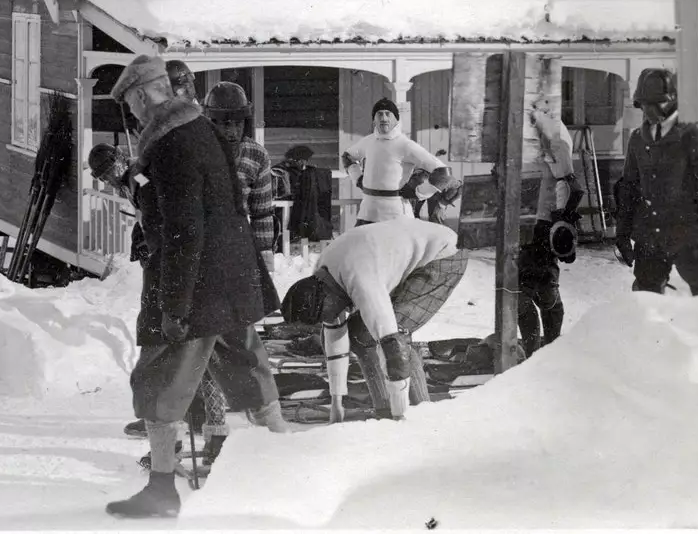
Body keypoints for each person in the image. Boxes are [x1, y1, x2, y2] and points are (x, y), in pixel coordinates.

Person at [102, 54, 276, 519]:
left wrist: (174, 307)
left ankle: (161, 490)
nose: (133, 116)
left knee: (158, 378)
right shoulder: (202, 129)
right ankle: (288, 471)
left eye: (131, 106)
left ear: (141, 96)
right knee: (249, 369)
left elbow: (185, 228)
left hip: (194, 285)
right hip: (229, 279)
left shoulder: (170, 143)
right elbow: (220, 205)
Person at [279, 217, 466, 422]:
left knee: (394, 336)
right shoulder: (322, 279)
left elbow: (393, 346)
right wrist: (336, 405)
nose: (329, 319)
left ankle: (414, 415)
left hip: (443, 254)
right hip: (403, 251)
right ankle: (385, 410)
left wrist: (399, 417)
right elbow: (334, 337)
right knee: (360, 334)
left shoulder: (362, 280)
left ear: (328, 299)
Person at [614, 68, 698, 296]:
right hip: (649, 237)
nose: (649, 110)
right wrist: (622, 234)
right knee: (645, 301)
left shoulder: (692, 135)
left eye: (656, 103)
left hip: (688, 237)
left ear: (672, 101)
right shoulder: (637, 139)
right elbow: (628, 188)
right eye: (644, 104)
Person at [517, 104, 584, 356]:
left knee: (544, 292)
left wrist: (561, 221)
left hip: (543, 221)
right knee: (520, 294)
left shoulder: (551, 128)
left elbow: (568, 180)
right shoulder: (521, 126)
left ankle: (551, 349)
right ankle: (536, 351)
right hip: (523, 219)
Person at [341, 98, 459, 225]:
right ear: (374, 119)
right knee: (360, 244)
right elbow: (348, 156)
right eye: (379, 114)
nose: (384, 118)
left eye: (388, 114)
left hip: (396, 214)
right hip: (367, 212)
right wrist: (358, 180)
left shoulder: (405, 145)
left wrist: (418, 192)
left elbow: (443, 173)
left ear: (396, 119)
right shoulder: (368, 141)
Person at [204, 82, 275, 254]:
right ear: (210, 122)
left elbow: (262, 214)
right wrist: (138, 180)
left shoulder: (257, 156)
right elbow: (145, 181)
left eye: (238, 124)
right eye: (225, 125)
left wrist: (264, 260)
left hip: (235, 247)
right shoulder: (191, 151)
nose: (233, 132)